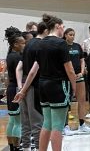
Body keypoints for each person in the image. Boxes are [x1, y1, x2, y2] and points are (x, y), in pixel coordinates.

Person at [15, 14, 77, 151]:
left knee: (47, 124)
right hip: (58, 85)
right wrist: (74, 87)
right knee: (58, 126)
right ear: (57, 26)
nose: (64, 30)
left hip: (43, 86)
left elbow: (33, 71)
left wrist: (23, 90)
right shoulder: (61, 43)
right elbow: (70, 70)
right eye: (63, 27)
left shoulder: (40, 43)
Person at [14, 22, 48, 151]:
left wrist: (21, 88)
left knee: (26, 122)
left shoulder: (28, 46)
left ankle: (26, 147)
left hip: (23, 86)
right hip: (32, 87)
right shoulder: (39, 45)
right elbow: (33, 71)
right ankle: (40, 148)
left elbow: (19, 68)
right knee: (37, 122)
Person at [63, 28, 90, 133]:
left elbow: (82, 60)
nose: (72, 36)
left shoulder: (77, 46)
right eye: (70, 34)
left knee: (81, 101)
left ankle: (82, 124)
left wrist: (81, 72)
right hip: (67, 78)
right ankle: (65, 126)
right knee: (67, 102)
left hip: (79, 77)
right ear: (65, 35)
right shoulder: (62, 46)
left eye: (73, 34)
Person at [4, 27, 25, 151]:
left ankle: (12, 146)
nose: (24, 45)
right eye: (22, 43)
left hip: (11, 88)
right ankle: (17, 147)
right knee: (18, 121)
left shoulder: (10, 55)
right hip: (16, 88)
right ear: (15, 44)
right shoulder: (17, 57)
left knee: (12, 120)